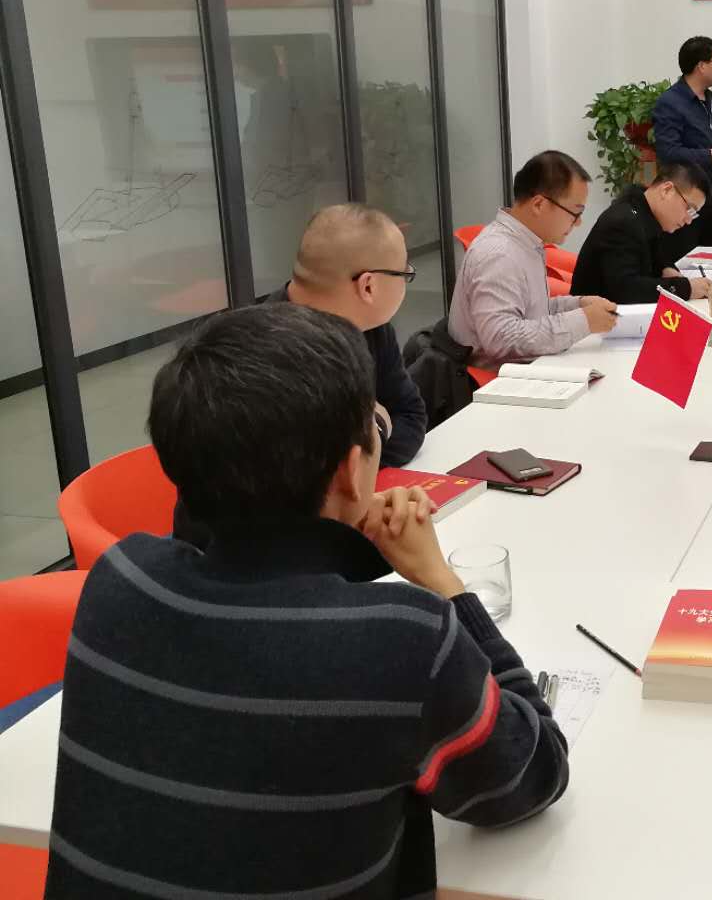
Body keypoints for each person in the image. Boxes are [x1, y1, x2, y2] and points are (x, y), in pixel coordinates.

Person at [46, 303, 569, 898]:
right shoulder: (405, 641)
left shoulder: (120, 580)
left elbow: (258, 599)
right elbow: (533, 773)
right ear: (350, 469)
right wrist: (441, 581)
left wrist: (350, 535)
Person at [271, 202, 428, 467]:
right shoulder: (261, 354)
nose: (406, 279)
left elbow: (411, 418)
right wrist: (377, 426)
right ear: (368, 286)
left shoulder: (371, 325)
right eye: (404, 273)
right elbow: (306, 469)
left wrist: (367, 435)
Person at [449, 150, 618, 371]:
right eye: (575, 213)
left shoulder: (526, 243)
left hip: (528, 368)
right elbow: (501, 339)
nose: (578, 223)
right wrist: (583, 320)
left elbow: (531, 310)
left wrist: (578, 305)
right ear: (539, 204)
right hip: (497, 380)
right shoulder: (499, 254)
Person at [571, 163, 712, 304]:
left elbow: (657, 258)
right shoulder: (623, 221)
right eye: (689, 209)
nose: (689, 220)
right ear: (667, 190)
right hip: (595, 315)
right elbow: (625, 289)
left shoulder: (646, 213)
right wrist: (686, 288)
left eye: (694, 214)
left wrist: (666, 269)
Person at [652, 35, 712, 265]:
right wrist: (709, 155)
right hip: (684, 204)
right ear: (701, 66)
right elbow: (667, 152)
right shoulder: (670, 102)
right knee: (683, 267)